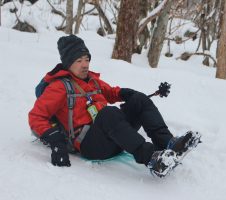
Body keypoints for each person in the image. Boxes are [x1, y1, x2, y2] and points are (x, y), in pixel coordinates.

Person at [28, 35, 200, 177]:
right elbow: (36, 117)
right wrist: (56, 142)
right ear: (68, 63)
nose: (85, 64)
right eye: (79, 60)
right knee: (109, 113)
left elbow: (110, 92)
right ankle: (153, 160)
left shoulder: (92, 80)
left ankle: (168, 144)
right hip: (91, 145)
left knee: (138, 99)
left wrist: (128, 94)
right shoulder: (58, 87)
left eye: (87, 59)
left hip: (113, 135)